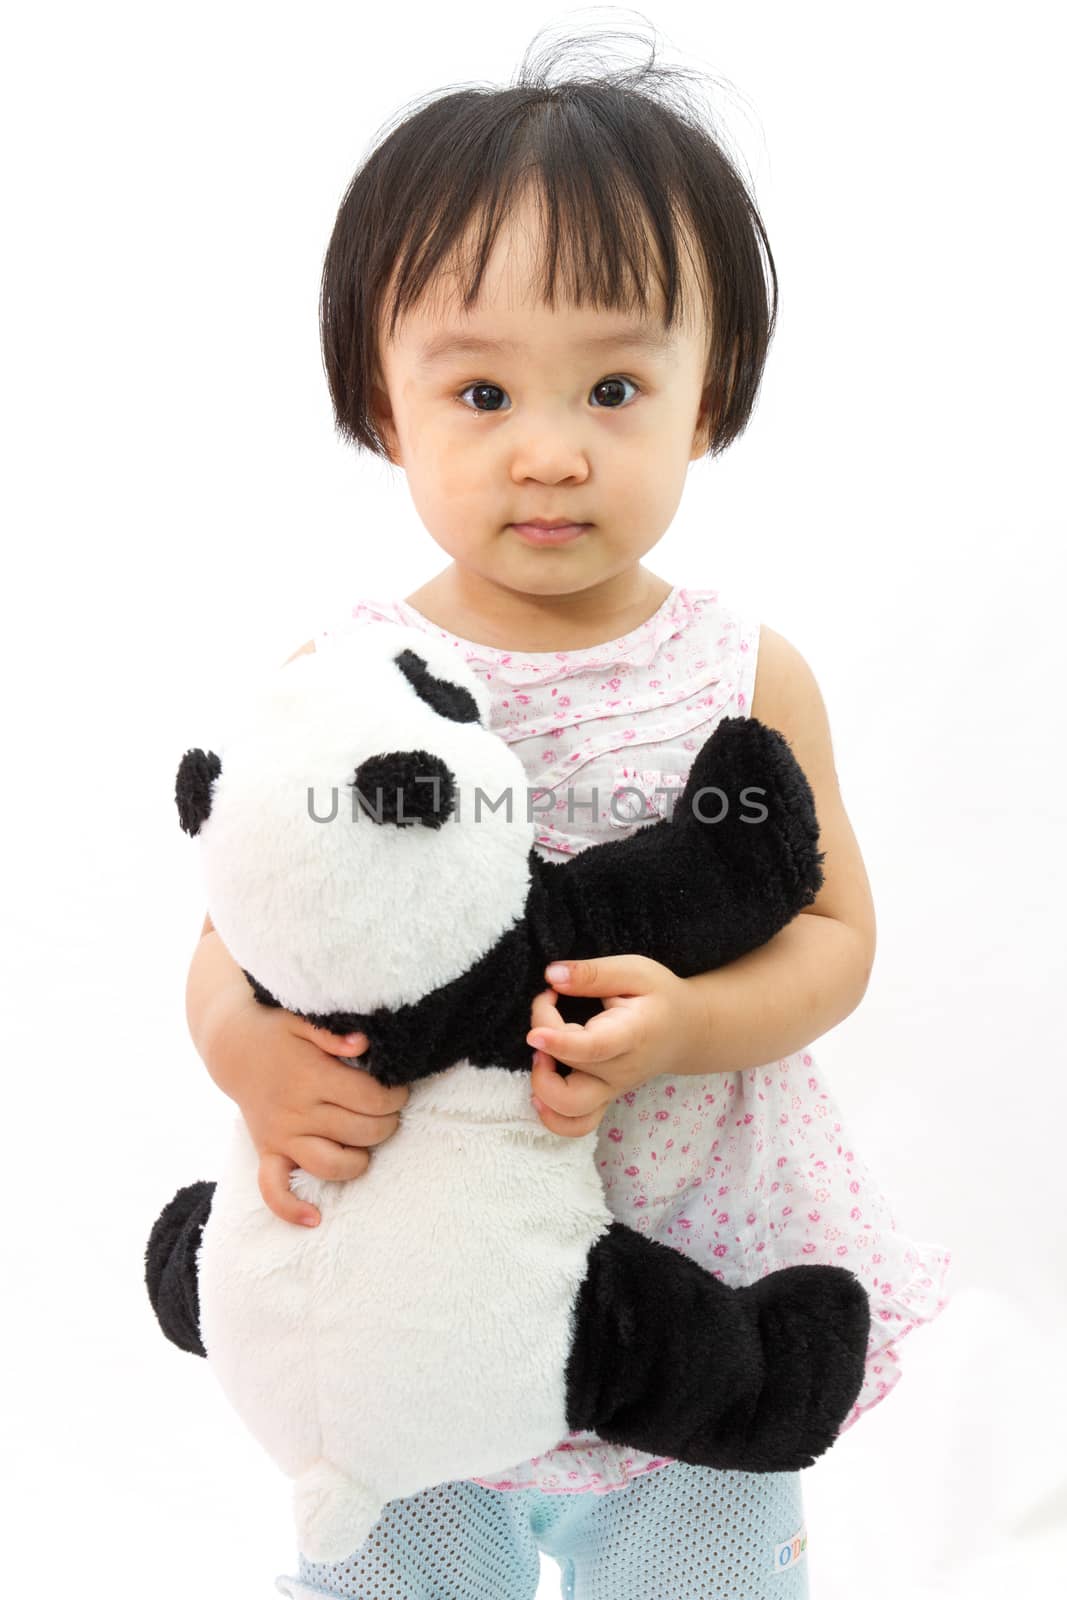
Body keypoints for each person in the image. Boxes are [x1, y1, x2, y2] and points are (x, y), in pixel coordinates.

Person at [186, 21, 950, 1600]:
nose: (550, 451)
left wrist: (689, 1022)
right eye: (478, 391)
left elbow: (838, 935)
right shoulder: (343, 680)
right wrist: (244, 1054)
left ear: (707, 393)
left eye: (613, 384)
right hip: (416, 1312)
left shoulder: (747, 671)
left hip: (691, 1297)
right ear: (385, 406)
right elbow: (236, 938)